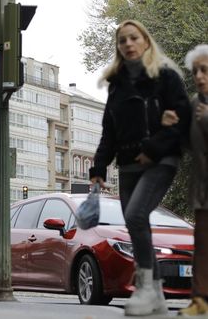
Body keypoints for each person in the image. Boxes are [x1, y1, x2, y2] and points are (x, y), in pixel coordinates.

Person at [88, 20, 190, 316]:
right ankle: (156, 294)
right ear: (119, 48)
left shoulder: (166, 76)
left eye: (134, 38)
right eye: (123, 41)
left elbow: (181, 117)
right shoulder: (117, 86)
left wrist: (153, 148)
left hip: (161, 160)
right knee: (136, 223)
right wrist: (98, 168)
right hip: (128, 163)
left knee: (135, 214)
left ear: (145, 41)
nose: (129, 44)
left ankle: (145, 288)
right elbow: (109, 131)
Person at [161, 44, 208, 317]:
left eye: (205, 70)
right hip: (202, 188)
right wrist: (171, 124)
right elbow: (188, 145)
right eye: (195, 72)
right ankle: (200, 299)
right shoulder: (195, 103)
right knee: (202, 245)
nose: (199, 76)